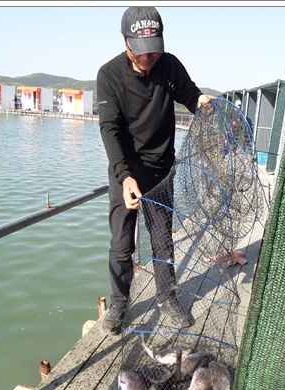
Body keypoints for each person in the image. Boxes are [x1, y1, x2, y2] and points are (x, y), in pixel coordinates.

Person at [97, 6, 215, 335]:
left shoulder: (170, 65)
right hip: (125, 172)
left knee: (162, 239)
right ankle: (120, 303)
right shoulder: (109, 75)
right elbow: (109, 129)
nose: (149, 58)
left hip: (162, 170)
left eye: (154, 50)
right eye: (141, 51)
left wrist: (200, 102)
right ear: (124, 39)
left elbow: (189, 95)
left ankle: (167, 298)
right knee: (122, 243)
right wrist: (124, 176)